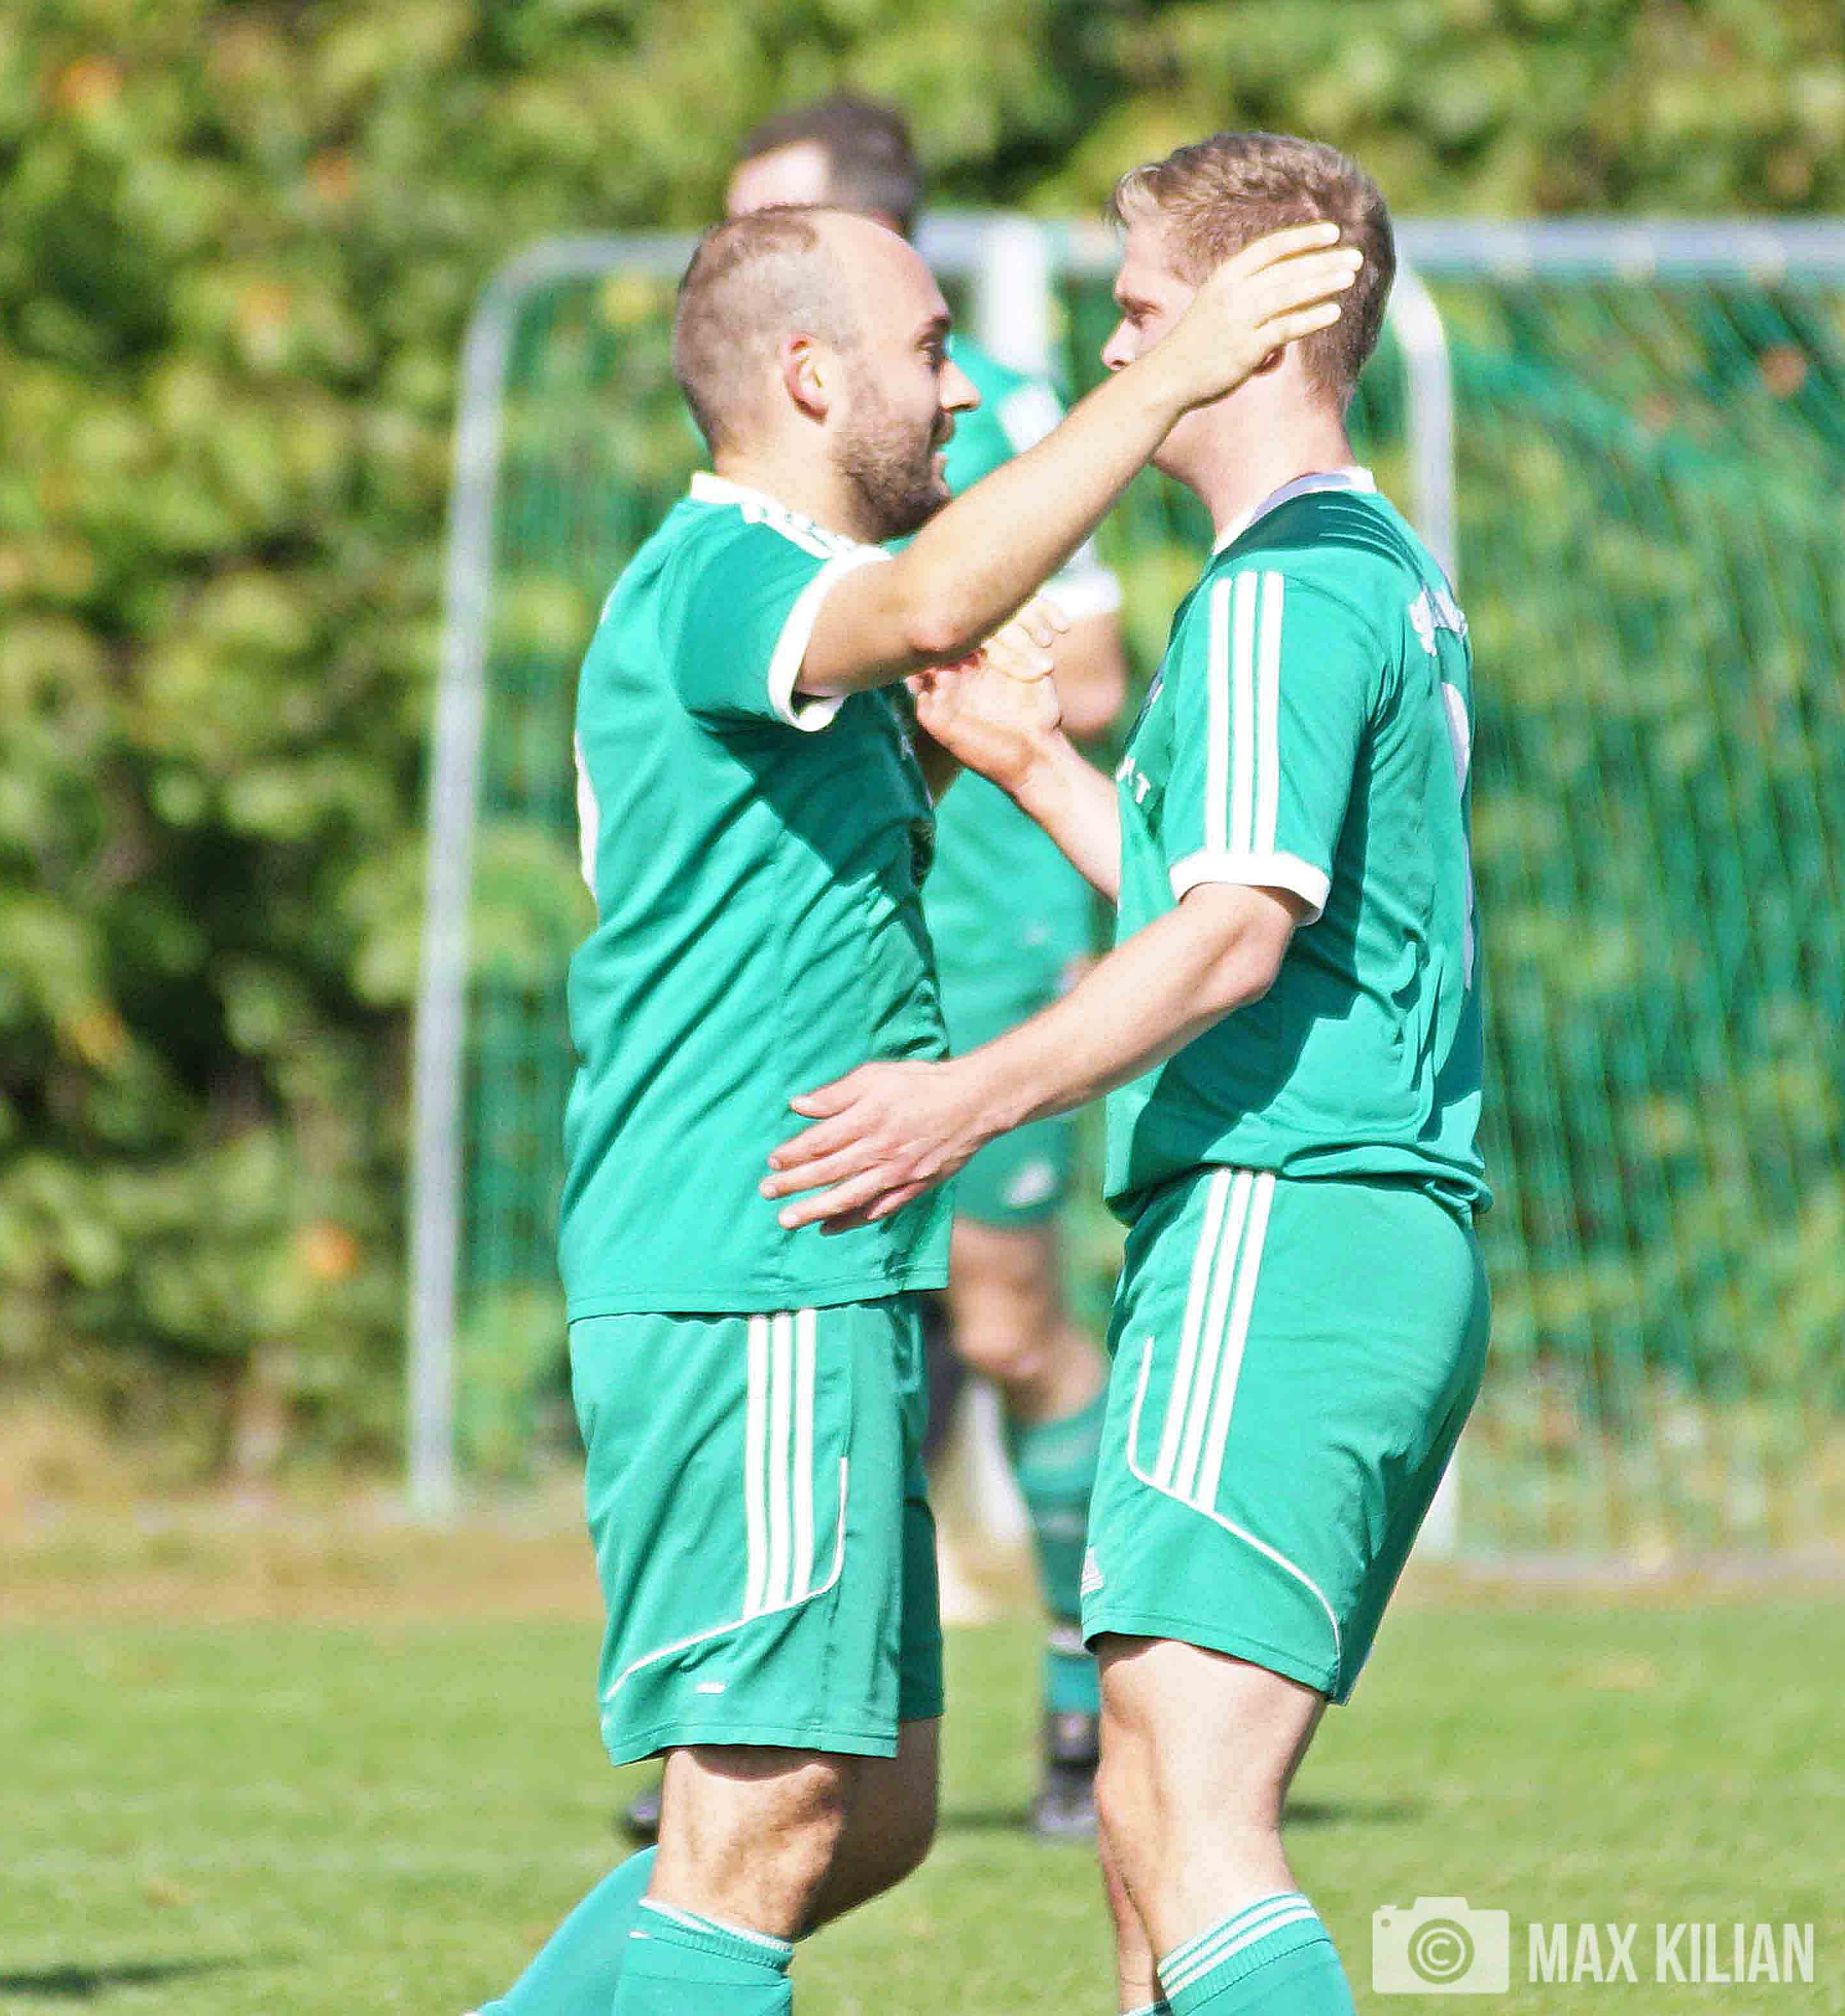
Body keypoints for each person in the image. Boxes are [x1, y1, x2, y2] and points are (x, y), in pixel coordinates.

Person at [472, 197, 1360, 2015]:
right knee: (764, 1816)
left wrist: (985, 759)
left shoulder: (795, 623)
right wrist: (1174, 376)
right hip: (747, 1261)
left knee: (869, 1815)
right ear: (811, 378)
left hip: (830, 1266)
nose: (963, 395)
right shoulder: (727, 566)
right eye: (934, 354)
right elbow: (937, 595)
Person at [762, 133, 1481, 2016]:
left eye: (1147, 313)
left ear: (1266, 323)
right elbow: (1248, 905)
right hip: (1343, 1230)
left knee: (1190, 1822)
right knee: (1156, 1825)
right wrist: (1036, 766)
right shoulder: (1363, 565)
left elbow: (1231, 945)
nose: (1111, 353)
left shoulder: (1277, 596)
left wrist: (965, 1097)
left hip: (1288, 1218)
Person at [704, 91, 1131, 1843]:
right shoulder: (753, 458)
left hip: (990, 925)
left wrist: (932, 656)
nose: (727, 254)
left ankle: (1091, 1704)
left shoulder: (998, 424)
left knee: (1008, 1321)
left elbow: (1086, 680)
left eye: (766, 220)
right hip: (828, 932)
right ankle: (756, 1734)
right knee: (791, 1300)